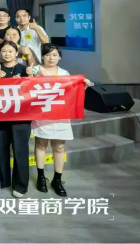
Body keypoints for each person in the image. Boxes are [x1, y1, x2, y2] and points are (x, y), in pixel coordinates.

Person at [30, 43, 92, 197]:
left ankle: (57, 179)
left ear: (59, 57)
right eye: (47, 55)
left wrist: (82, 85)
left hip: (61, 116)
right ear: (42, 57)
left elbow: (71, 91)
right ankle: (41, 177)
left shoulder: (65, 73)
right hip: (42, 114)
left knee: (59, 147)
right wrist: (34, 75)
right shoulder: (35, 70)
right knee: (41, 145)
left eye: (54, 55)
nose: (51, 58)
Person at [0, 40, 32, 198]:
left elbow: (33, 90)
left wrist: (27, 78)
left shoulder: (24, 69)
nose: (7, 54)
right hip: (1, 116)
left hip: (21, 117)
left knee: (20, 151)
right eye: (4, 51)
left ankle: (20, 185)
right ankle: (3, 180)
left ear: (16, 53)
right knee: (1, 149)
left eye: (10, 51)